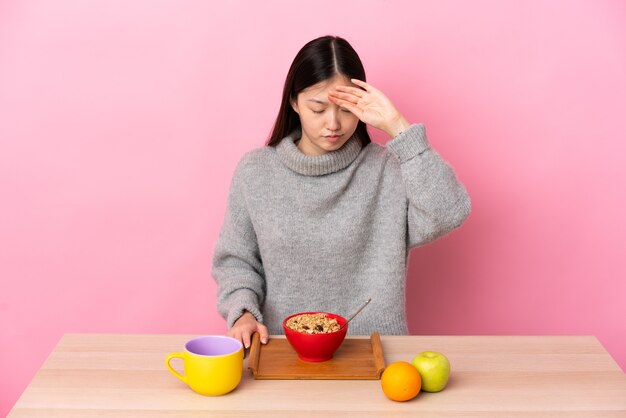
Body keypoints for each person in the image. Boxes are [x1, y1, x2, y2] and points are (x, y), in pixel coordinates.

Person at [212, 35, 471, 349]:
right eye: (318, 108)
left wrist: (397, 126)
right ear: (294, 102)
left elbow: (449, 211)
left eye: (346, 110)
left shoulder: (386, 168)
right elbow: (236, 261)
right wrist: (242, 313)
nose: (333, 124)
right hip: (283, 352)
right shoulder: (256, 172)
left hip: (376, 353)